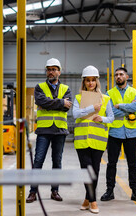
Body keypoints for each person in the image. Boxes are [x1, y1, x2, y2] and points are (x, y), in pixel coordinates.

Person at [26, 58, 73, 203]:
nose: (51, 72)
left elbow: (67, 106)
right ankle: (33, 192)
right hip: (44, 130)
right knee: (38, 160)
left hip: (59, 130)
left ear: (59, 71)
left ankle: (55, 191)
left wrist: (49, 104)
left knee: (57, 161)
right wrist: (60, 102)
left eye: (54, 69)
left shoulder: (66, 89)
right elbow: (41, 101)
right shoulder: (39, 87)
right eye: (49, 69)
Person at [100, 67, 136, 203]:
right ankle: (109, 191)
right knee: (111, 163)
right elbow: (110, 113)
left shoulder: (134, 91)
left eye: (121, 74)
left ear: (127, 76)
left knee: (132, 163)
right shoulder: (109, 93)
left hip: (131, 132)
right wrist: (127, 107)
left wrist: (119, 106)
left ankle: (135, 191)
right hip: (114, 132)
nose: (118, 77)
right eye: (116, 75)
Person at [73, 65, 114, 214]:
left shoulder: (106, 99)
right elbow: (76, 114)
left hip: (98, 141)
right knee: (87, 171)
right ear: (84, 82)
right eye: (88, 80)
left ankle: (86, 199)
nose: (91, 83)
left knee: (95, 171)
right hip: (82, 141)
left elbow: (111, 117)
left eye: (93, 80)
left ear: (97, 82)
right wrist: (92, 108)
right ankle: (93, 201)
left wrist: (101, 118)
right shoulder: (78, 98)